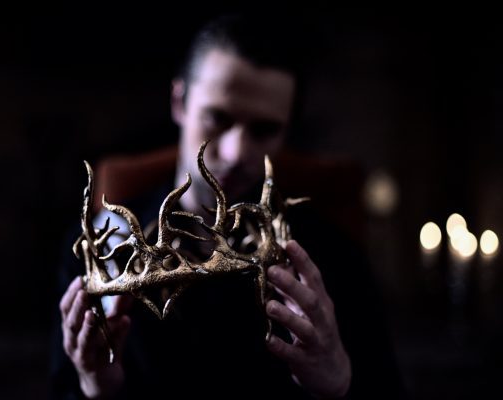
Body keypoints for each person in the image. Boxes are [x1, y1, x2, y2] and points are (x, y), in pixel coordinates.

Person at [52, 14, 405, 399]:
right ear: (179, 102)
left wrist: (338, 381)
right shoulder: (102, 249)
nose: (237, 152)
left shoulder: (331, 258)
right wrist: (97, 387)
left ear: (287, 129)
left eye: (265, 129)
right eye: (218, 118)